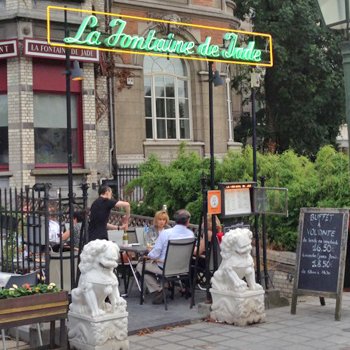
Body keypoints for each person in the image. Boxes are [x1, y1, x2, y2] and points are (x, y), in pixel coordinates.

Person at [136, 209, 194, 304]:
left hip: (165, 267)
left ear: (175, 221)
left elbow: (155, 254)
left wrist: (148, 256)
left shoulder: (166, 233)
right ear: (188, 222)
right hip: (183, 268)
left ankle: (158, 289)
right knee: (147, 267)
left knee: (140, 266)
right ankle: (163, 286)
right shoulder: (190, 234)